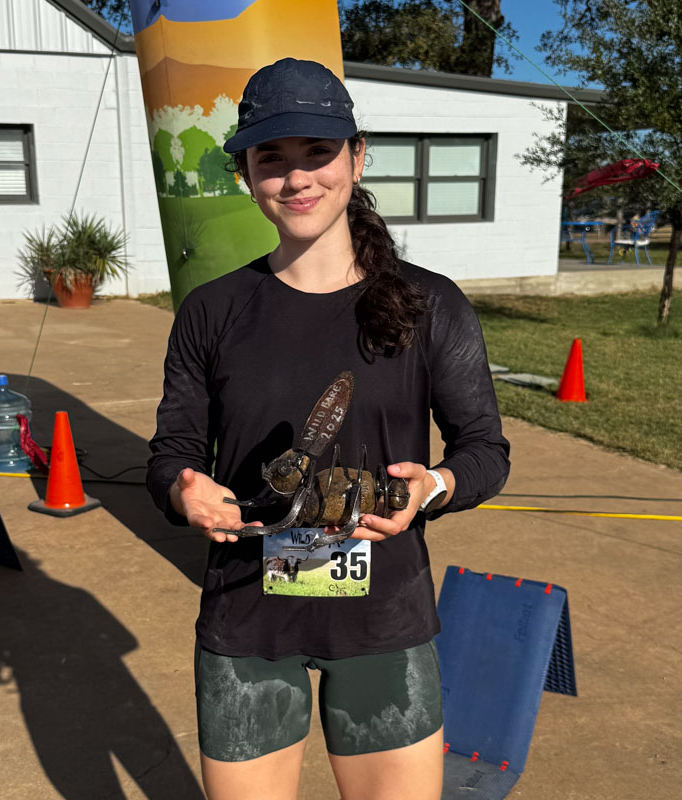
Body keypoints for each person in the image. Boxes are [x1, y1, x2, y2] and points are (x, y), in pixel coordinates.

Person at [146, 58, 512, 800]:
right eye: (271, 159)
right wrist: (185, 492)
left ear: (357, 157)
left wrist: (432, 488)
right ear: (246, 173)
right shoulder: (212, 312)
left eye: (317, 151)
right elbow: (172, 453)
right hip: (248, 620)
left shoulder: (429, 304)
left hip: (384, 619)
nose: (296, 178)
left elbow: (485, 451)